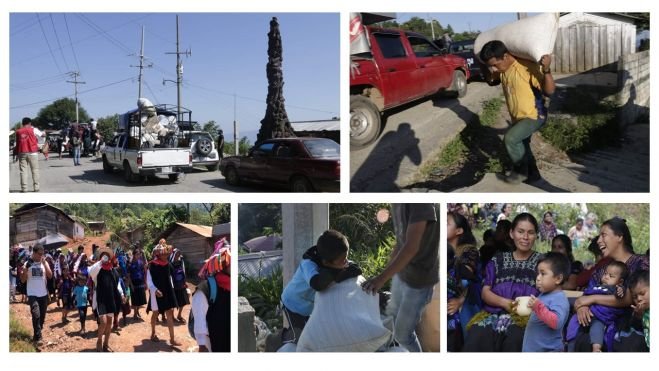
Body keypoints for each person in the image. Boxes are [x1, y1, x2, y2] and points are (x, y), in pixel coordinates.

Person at [362, 203, 439, 352]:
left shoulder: (420, 204)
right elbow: (401, 242)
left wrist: (380, 279)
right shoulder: (398, 203)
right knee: (392, 322)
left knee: (404, 335)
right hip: (403, 275)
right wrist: (386, 273)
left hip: (419, 282)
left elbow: (411, 247)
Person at [463, 213, 542, 352]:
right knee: (477, 333)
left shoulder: (542, 261)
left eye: (530, 233)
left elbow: (548, 292)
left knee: (515, 337)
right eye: (520, 231)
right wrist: (505, 303)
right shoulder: (498, 259)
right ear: (511, 233)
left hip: (525, 317)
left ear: (536, 235)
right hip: (492, 313)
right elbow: (485, 291)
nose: (525, 237)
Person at [480, 40, 555, 184]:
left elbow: (549, 91)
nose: (494, 69)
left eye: (495, 64)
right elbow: (491, 81)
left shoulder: (526, 67)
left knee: (511, 139)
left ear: (506, 56)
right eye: (491, 66)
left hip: (534, 115)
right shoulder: (503, 70)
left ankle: (520, 173)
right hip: (517, 118)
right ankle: (534, 176)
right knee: (524, 147)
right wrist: (483, 65)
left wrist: (546, 70)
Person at [570, 217, 649, 352]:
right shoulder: (601, 271)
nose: (599, 240)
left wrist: (593, 299)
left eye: (603, 235)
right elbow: (585, 297)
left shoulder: (642, 263)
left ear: (619, 237)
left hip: (631, 329)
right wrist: (582, 307)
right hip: (598, 327)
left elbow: (630, 297)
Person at [280, 230, 361, 344]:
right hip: (292, 304)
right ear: (327, 263)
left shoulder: (333, 257)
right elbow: (317, 284)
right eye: (343, 260)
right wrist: (337, 273)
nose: (346, 261)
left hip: (309, 308)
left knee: (315, 336)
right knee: (299, 338)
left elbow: (356, 269)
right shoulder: (308, 264)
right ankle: (279, 337)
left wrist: (340, 271)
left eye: (346, 257)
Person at [566, 261, 628, 352]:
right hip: (587, 310)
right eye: (605, 273)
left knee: (597, 327)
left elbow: (621, 295)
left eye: (611, 276)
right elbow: (586, 294)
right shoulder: (597, 286)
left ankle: (596, 347)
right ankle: (569, 346)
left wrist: (621, 290)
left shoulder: (616, 288)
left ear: (620, 281)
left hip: (600, 316)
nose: (606, 277)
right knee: (572, 324)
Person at [522, 252, 570, 352]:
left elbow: (556, 322)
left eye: (543, 274)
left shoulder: (559, 299)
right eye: (538, 273)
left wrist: (538, 307)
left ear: (558, 279)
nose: (538, 278)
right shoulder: (544, 295)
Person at [447, 211, 481, 352]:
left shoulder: (469, 251)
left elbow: (465, 281)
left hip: (464, 302)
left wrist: (460, 301)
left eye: (447, 223)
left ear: (459, 231)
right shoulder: (441, 249)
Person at [192, 239, 231, 352]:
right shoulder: (205, 290)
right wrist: (202, 345)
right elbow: (200, 322)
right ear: (223, 265)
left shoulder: (232, 286)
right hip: (214, 344)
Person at [89, 246, 125, 352]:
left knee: (109, 322)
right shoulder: (97, 270)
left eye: (107, 256)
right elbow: (91, 272)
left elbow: (117, 284)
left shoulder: (113, 271)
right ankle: (99, 340)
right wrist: (100, 262)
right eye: (103, 255)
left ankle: (106, 344)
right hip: (101, 299)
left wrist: (122, 295)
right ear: (100, 257)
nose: (105, 257)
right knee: (103, 322)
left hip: (111, 299)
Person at [146, 240, 181, 346]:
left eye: (167, 253)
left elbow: (170, 279)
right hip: (156, 292)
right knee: (155, 313)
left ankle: (172, 339)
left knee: (169, 313)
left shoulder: (168, 265)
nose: (166, 255)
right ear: (159, 254)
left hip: (167, 291)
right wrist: (155, 290)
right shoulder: (151, 266)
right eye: (164, 253)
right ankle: (153, 333)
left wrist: (173, 290)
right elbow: (149, 280)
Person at [20, 244, 52, 345]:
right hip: (32, 293)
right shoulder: (27, 263)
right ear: (33, 253)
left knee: (41, 317)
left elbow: (50, 275)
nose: (41, 256)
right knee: (36, 314)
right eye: (39, 254)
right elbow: (22, 280)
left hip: (43, 294)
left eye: (42, 254)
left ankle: (36, 334)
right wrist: (25, 269)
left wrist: (45, 263)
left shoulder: (44, 262)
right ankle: (38, 338)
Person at [15, 117, 44, 192]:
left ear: (22, 123)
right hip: (33, 153)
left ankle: (24, 189)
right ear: (30, 123)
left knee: (23, 171)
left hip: (22, 153)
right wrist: (44, 133)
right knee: (35, 170)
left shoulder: (18, 131)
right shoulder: (34, 129)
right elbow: (42, 135)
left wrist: (15, 154)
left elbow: (17, 144)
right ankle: (36, 188)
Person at [628, 270, 649, 350]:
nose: (639, 299)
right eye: (635, 297)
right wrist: (638, 316)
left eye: (642, 293)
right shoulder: (639, 312)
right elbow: (637, 328)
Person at [169, 249, 189, 322]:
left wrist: (185, 282)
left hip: (181, 284)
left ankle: (179, 315)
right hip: (174, 285)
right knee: (174, 302)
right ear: (174, 254)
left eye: (179, 254)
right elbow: (169, 275)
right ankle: (172, 316)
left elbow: (183, 272)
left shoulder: (181, 262)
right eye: (177, 254)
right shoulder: (170, 264)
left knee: (183, 300)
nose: (178, 255)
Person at [127, 248, 147, 320]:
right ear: (134, 255)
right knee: (134, 299)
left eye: (139, 254)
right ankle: (135, 314)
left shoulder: (141, 263)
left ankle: (137, 311)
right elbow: (129, 275)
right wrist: (131, 284)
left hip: (140, 282)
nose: (138, 255)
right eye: (137, 254)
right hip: (133, 283)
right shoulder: (130, 264)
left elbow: (144, 272)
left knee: (140, 298)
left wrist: (145, 283)